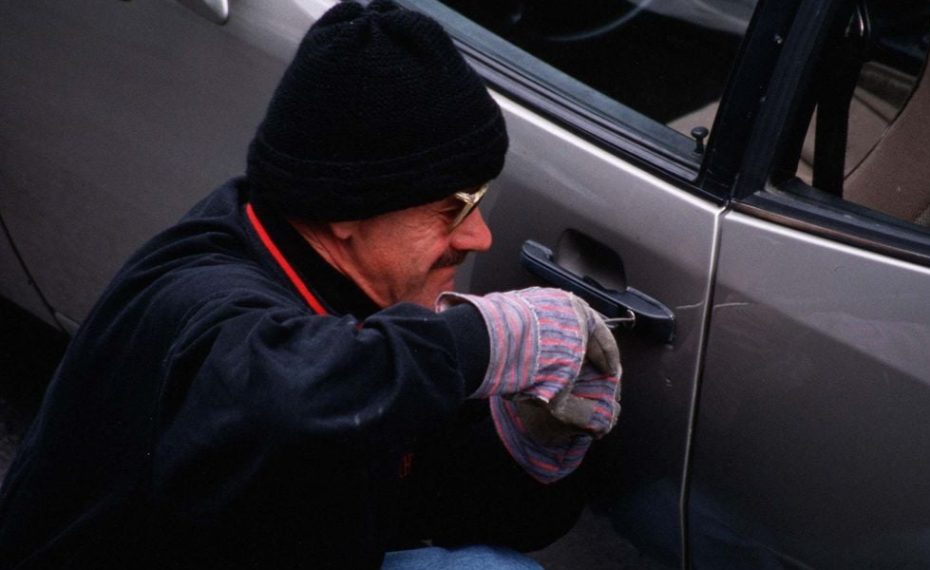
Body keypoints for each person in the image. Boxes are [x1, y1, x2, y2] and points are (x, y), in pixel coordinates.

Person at [0, 2, 622, 568]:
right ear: (346, 210)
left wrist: (533, 445)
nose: (480, 236)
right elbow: (290, 401)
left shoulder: (367, 320)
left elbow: (443, 504)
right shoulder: (200, 297)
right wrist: (488, 341)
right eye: (454, 209)